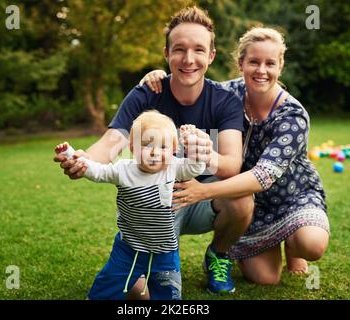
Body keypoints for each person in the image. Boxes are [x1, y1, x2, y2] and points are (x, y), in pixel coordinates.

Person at [54, 6, 249, 295]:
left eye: (198, 49)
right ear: (167, 53)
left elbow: (232, 164)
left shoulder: (225, 101)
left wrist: (204, 154)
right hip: (153, 206)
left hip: (200, 197)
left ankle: (218, 255)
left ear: (211, 55)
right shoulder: (146, 94)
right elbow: (112, 143)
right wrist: (83, 160)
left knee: (242, 198)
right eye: (179, 49)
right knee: (137, 292)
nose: (188, 59)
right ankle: (141, 262)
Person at [141, 26, 330, 285]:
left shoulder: (293, 116)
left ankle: (294, 246)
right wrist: (159, 76)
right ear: (241, 63)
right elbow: (190, 81)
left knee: (311, 244)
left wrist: (203, 192)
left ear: (280, 66)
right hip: (248, 200)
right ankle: (242, 244)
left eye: (269, 63)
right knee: (266, 279)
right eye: (253, 62)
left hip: (292, 196)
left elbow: (264, 176)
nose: (261, 71)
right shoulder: (226, 94)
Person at [55, 111, 207, 300]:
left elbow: (195, 167)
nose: (154, 152)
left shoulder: (174, 167)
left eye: (163, 147)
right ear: (133, 148)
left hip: (165, 250)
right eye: (146, 144)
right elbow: (97, 171)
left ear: (174, 149)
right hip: (128, 248)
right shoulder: (123, 169)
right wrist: (72, 155)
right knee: (106, 287)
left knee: (168, 295)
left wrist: (195, 147)